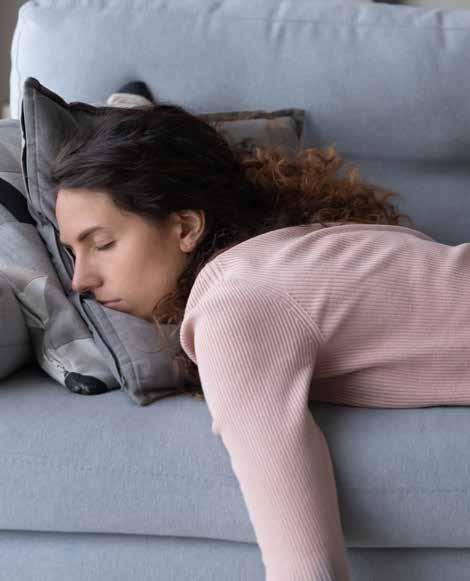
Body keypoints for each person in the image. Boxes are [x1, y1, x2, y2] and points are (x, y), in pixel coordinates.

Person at [52, 103, 470, 581]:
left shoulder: (235, 307)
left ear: (185, 227)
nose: (79, 280)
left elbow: (307, 569)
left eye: (102, 244)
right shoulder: (290, 254)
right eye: (72, 252)